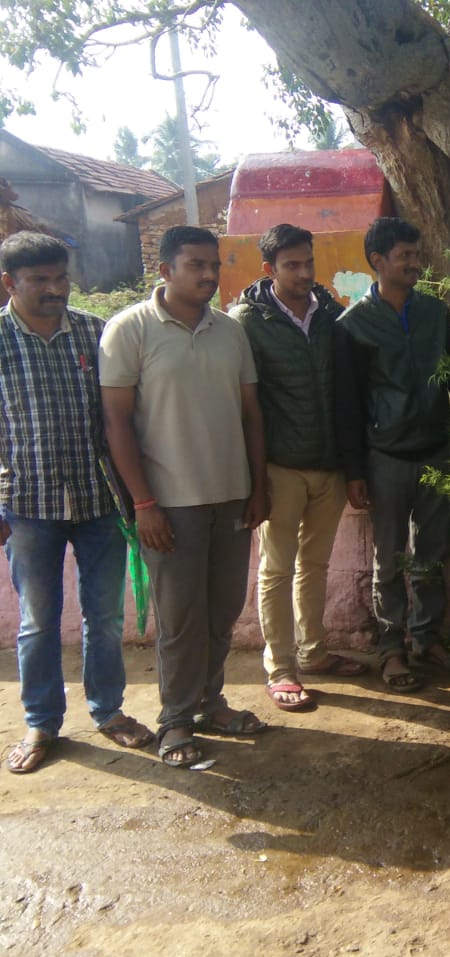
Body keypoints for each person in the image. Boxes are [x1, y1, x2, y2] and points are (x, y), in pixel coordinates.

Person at [100, 225, 270, 768]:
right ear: (165, 269)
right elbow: (116, 423)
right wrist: (144, 503)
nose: (208, 274)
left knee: (222, 610)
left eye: (214, 264)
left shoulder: (229, 331)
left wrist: (258, 485)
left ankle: (209, 702)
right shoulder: (129, 330)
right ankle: (175, 720)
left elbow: (250, 414)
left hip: (232, 497)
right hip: (169, 503)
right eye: (195, 264)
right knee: (179, 617)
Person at [0, 232, 153, 774]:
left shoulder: (95, 333)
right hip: (26, 505)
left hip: (99, 501)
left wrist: (138, 495)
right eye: (40, 279)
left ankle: (108, 711)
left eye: (60, 277)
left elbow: (122, 420)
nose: (54, 289)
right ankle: (42, 722)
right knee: (38, 623)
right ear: (10, 283)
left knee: (105, 617)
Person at [334, 217, 450, 693]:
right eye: (405, 256)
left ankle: (426, 636)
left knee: (433, 553)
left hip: (438, 452)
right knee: (390, 558)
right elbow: (348, 405)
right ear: (378, 262)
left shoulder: (436, 313)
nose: (415, 263)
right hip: (386, 458)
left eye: (417, 254)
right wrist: (355, 471)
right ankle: (392, 648)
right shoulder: (353, 326)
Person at [229, 224, 368, 713]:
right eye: (292, 265)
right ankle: (281, 668)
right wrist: (254, 474)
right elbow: (243, 402)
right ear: (269, 270)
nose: (305, 273)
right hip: (279, 468)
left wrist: (351, 465)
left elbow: (347, 391)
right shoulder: (247, 321)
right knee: (276, 570)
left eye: (309, 262)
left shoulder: (330, 314)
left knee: (315, 566)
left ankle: (314, 653)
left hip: (328, 465)